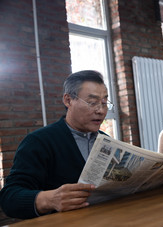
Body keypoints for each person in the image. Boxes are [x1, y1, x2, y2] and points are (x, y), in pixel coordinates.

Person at [0, 70, 113, 219]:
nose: (100, 110)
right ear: (68, 100)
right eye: (92, 103)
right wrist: (49, 199)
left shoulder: (106, 141)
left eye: (104, 103)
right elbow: (9, 198)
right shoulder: (39, 142)